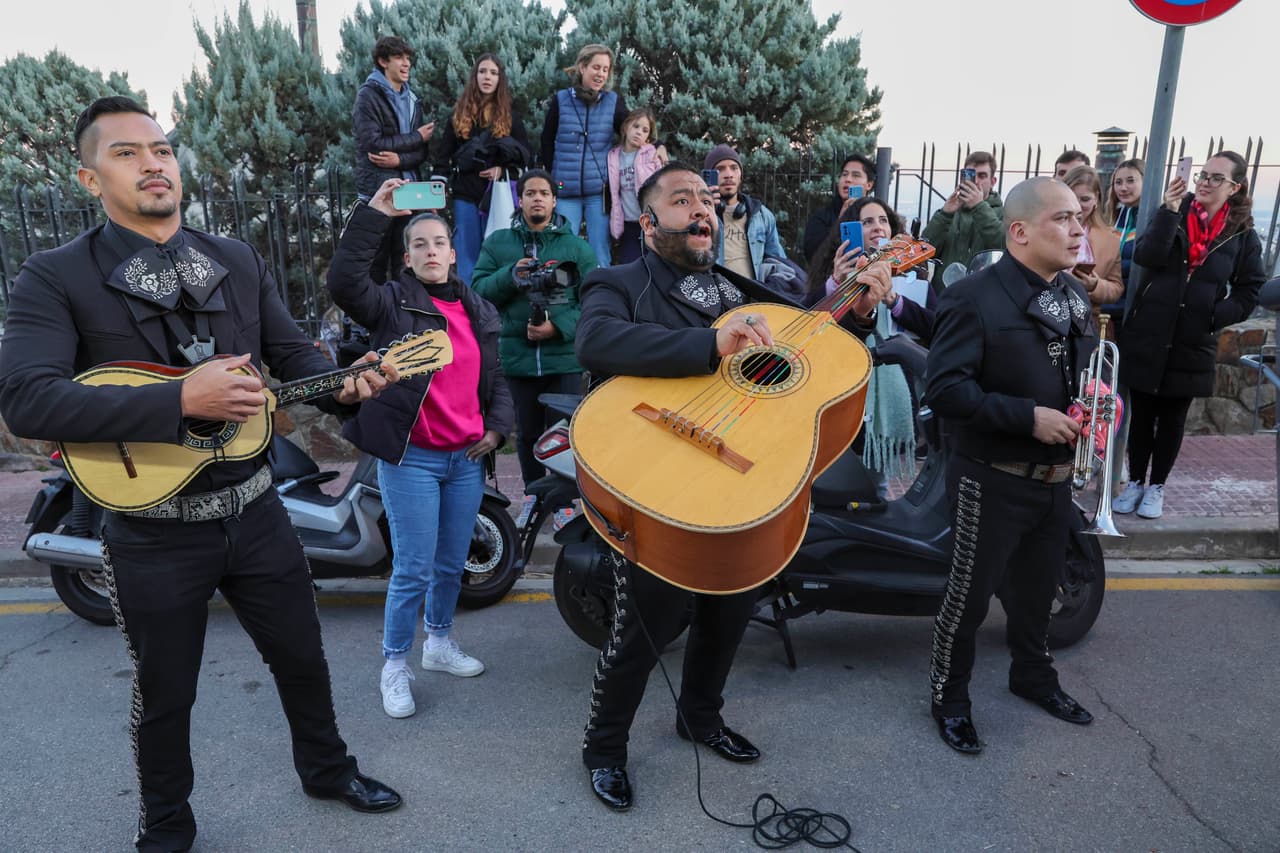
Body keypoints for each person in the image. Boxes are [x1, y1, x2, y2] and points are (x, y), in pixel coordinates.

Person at [0, 97, 403, 851]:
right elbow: (26, 398)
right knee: (165, 691)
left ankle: (327, 770)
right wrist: (179, 400)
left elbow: (294, 359)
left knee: (303, 657)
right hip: (149, 530)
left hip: (257, 508)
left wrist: (343, 384)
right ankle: (166, 824)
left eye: (161, 149)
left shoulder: (237, 259)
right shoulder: (54, 275)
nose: (153, 163)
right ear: (89, 178)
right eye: (126, 153)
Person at [573, 161, 891, 810]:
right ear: (647, 222)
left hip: (737, 477)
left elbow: (808, 345)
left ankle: (700, 716)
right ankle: (604, 747)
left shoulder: (737, 289)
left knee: (733, 603)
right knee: (647, 625)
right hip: (655, 474)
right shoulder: (618, 281)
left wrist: (855, 312)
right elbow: (597, 341)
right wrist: (709, 343)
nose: (701, 208)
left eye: (706, 200)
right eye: (681, 199)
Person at [328, 177, 514, 719]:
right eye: (419, 245)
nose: (430, 251)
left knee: (451, 563)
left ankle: (438, 642)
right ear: (407, 258)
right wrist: (376, 214)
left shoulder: (479, 311)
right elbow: (344, 282)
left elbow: (496, 379)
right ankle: (394, 665)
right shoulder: (391, 303)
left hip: (465, 460)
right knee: (412, 568)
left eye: (439, 243)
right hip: (413, 458)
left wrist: (497, 430)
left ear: (453, 254)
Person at [925, 177, 1099, 755]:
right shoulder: (971, 297)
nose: (1077, 230)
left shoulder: (1073, 297)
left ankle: (1033, 677)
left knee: (1036, 593)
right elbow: (945, 390)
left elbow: (1079, 377)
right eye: (1062, 219)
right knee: (969, 599)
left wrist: (1099, 407)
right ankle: (950, 700)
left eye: (1078, 218)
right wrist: (1028, 418)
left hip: (1054, 481)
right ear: (1020, 231)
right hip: (990, 478)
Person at [1112, 152, 1264, 519]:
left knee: (1173, 419)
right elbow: (1147, 256)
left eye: (1216, 178)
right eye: (1203, 175)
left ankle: (1157, 486)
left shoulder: (1243, 234)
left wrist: (1213, 315)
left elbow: (1250, 289)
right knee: (1142, 414)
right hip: (1150, 329)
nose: (1205, 183)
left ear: (1234, 187)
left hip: (1194, 339)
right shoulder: (1175, 213)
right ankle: (1135, 481)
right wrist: (1168, 210)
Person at [472, 168, 595, 495]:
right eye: (530, 193)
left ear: (554, 201)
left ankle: (564, 501)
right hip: (517, 360)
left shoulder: (577, 248)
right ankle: (533, 495)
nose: (537, 199)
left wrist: (558, 327)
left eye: (543, 193)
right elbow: (478, 293)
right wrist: (510, 275)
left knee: (564, 435)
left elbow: (595, 303)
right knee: (526, 435)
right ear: (520, 200)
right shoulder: (498, 243)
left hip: (564, 361)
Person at [433, 52, 532, 284]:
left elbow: (526, 158)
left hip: (497, 196)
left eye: (493, 73)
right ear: (475, 76)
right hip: (466, 194)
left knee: (498, 256)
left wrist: (502, 171)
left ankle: (494, 305)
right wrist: (436, 194)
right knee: (466, 257)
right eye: (483, 71)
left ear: (500, 79)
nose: (487, 77)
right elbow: (443, 158)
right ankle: (469, 304)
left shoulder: (511, 118)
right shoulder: (458, 116)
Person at [353, 35, 435, 283]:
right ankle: (375, 309)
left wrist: (399, 160)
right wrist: (416, 137)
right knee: (376, 263)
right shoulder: (368, 96)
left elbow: (422, 153)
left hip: (409, 191)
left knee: (405, 262)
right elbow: (373, 144)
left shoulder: (413, 99)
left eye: (408, 58)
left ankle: (405, 308)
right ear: (383, 61)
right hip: (380, 191)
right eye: (399, 58)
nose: (406, 63)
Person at [540, 44, 627, 270]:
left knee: (600, 254)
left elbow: (632, 130)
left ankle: (603, 292)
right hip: (565, 192)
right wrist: (553, 177)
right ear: (582, 67)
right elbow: (547, 140)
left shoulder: (612, 101)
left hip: (598, 193)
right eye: (596, 67)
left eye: (605, 69)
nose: (601, 74)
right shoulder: (561, 99)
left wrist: (657, 146)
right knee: (564, 252)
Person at [705, 143, 789, 282]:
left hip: (752, 294)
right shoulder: (701, 215)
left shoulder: (761, 215)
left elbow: (778, 261)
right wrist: (705, 206)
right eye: (720, 169)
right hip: (716, 292)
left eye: (734, 168)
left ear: (741, 175)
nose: (728, 175)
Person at [1062, 165, 1123, 337]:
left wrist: (1095, 285)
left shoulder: (1110, 240)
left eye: (1085, 199)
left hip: (1087, 324)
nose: (1078, 206)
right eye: (1072, 198)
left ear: (1097, 199)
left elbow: (1116, 288)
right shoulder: (1046, 230)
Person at [921, 150, 1004, 271]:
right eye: (970, 175)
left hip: (981, 283)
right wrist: (944, 215)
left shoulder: (1003, 214)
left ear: (992, 182)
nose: (976, 181)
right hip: (946, 283)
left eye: (982, 176)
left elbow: (1004, 247)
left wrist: (979, 207)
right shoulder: (950, 213)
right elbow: (924, 251)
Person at [607, 107, 666, 264]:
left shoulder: (652, 154)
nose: (639, 132)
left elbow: (663, 185)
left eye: (645, 130)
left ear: (648, 136)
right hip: (628, 224)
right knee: (630, 265)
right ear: (626, 127)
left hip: (651, 223)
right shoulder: (613, 156)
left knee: (654, 265)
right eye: (636, 126)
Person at [802, 153, 876, 261]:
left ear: (869, 184)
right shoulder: (822, 216)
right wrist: (839, 223)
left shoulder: (877, 215)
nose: (848, 179)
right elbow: (812, 254)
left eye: (856, 175)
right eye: (844, 174)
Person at [1105, 158, 1145, 329]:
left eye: (1130, 181)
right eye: (1118, 182)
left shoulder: (1154, 218)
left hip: (1135, 310)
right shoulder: (1113, 217)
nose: (1123, 188)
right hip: (1107, 307)